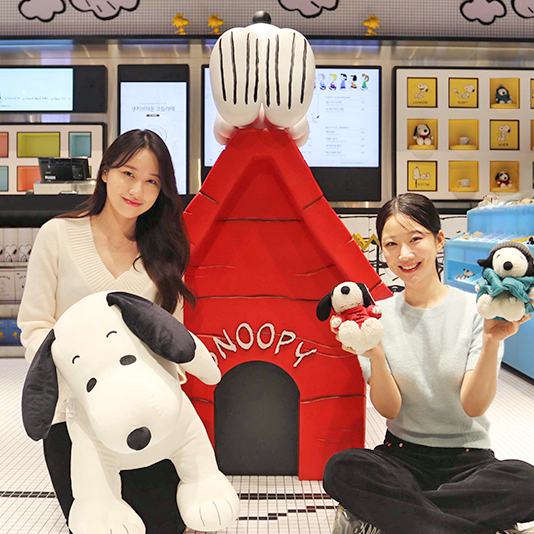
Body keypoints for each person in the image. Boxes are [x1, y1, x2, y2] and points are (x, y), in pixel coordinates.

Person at [323, 193, 534, 534]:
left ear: (439, 240)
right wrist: (375, 355)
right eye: (391, 244)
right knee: (342, 468)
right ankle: (457, 522)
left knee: (526, 481)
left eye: (415, 239)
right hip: (401, 457)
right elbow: (389, 409)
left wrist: (492, 342)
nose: (404, 254)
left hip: (469, 460)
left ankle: (404, 517)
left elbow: (473, 406)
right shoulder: (375, 317)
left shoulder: (477, 310)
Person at [18, 129, 195, 534]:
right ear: (105, 172)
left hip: (145, 417)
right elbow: (35, 326)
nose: (137, 190)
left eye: (152, 181)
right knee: (100, 525)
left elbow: (173, 342)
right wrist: (77, 383)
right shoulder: (58, 235)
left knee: (166, 525)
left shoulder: (164, 253)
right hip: (74, 418)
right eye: (128, 173)